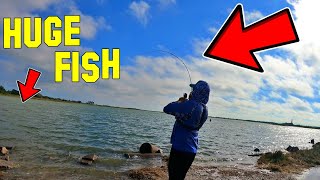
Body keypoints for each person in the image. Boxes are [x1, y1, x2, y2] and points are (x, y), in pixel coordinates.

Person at [163, 80, 210, 180]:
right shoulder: (205, 109)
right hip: (192, 149)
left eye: (193, 89)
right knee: (180, 176)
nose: (191, 91)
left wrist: (180, 101)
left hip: (180, 147)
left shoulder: (190, 105)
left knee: (173, 176)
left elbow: (167, 108)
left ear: (197, 91)